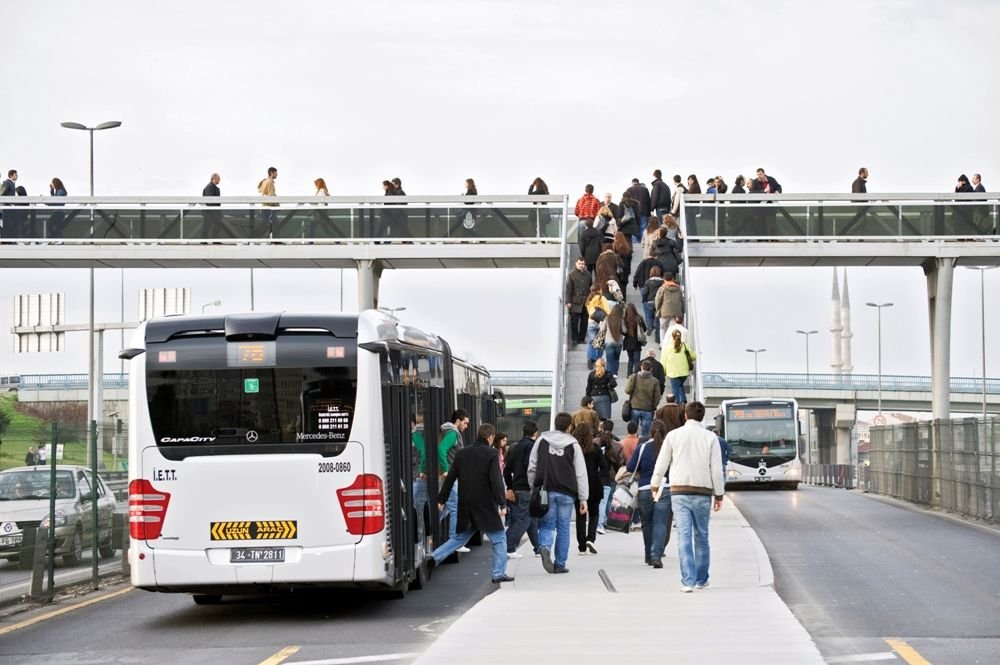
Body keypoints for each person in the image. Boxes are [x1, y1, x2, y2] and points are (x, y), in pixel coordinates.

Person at [651, 401, 724, 592]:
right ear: (702, 417)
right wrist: (719, 494)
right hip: (703, 492)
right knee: (702, 536)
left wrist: (655, 483)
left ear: (685, 415)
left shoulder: (673, 436)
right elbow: (716, 470)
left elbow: (662, 462)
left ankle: (688, 581)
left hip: (679, 491)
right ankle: (701, 579)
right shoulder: (710, 438)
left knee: (683, 535)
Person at [426, 423, 512, 584]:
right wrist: (502, 503)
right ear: (491, 437)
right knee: (499, 538)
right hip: (485, 504)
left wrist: (442, 499)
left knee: (459, 538)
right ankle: (498, 573)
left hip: (466, 503)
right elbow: (496, 480)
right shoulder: (492, 454)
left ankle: (433, 558)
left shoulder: (462, 454)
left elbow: (450, 477)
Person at [528, 412, 589, 574]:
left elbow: (532, 466)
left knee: (547, 524)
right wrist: (583, 498)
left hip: (546, 490)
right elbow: (580, 473)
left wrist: (532, 487)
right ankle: (560, 563)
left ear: (554, 424)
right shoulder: (573, 445)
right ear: (569, 427)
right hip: (567, 492)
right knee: (563, 527)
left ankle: (545, 547)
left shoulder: (541, 441)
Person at [625, 419, 673, 568]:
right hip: (664, 488)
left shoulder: (642, 447)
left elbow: (630, 466)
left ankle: (648, 555)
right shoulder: (669, 447)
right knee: (660, 522)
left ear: (650, 432)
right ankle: (656, 556)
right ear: (665, 433)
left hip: (645, 488)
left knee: (647, 523)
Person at [504, 420, 541, 558]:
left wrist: (510, 487)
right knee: (523, 519)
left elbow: (506, 470)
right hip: (527, 488)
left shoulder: (515, 447)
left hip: (516, 487)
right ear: (535, 433)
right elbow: (530, 468)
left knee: (531, 519)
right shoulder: (532, 447)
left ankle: (538, 547)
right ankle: (508, 546)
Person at [573, 423, 607, 555]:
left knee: (580, 515)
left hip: (578, 484)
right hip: (594, 483)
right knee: (594, 513)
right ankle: (591, 538)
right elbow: (604, 466)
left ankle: (581, 546)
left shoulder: (574, 449)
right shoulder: (596, 448)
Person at [439, 409, 470, 548]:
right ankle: (454, 540)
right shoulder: (452, 433)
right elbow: (441, 449)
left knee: (445, 507)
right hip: (451, 476)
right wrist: (445, 469)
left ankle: (430, 527)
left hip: (451, 475)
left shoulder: (449, 432)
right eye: (465, 423)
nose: (466, 426)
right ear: (457, 421)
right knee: (455, 507)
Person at [625, 359, 661, 438]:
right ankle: (643, 445)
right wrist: (653, 406)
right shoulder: (655, 381)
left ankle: (633, 445)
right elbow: (657, 397)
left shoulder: (634, 377)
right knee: (646, 432)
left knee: (633, 430)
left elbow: (627, 390)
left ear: (641, 367)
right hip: (648, 409)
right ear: (651, 369)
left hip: (635, 407)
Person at [661, 328, 696, 404]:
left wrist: (663, 372)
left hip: (673, 373)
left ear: (672, 337)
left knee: (675, 389)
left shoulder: (668, 348)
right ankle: (683, 400)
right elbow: (693, 356)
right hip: (684, 372)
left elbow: (663, 361)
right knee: (680, 385)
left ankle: (677, 404)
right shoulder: (685, 345)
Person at [565, 256, 592, 345]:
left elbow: (591, 287)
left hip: (585, 302)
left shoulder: (588, 274)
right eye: (580, 264)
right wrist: (568, 302)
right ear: (576, 263)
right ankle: (575, 339)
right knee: (574, 322)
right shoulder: (571, 274)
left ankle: (581, 339)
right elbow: (568, 289)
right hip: (574, 302)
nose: (581, 265)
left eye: (583, 264)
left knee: (585, 321)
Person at [585, 284, 612, 368]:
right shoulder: (602, 298)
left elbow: (590, 312)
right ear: (599, 290)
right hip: (602, 323)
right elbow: (608, 311)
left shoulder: (589, 299)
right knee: (600, 342)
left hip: (591, 322)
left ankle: (590, 359)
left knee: (591, 342)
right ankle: (598, 360)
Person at [654, 272, 684, 342]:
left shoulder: (662, 288)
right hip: (676, 312)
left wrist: (658, 309)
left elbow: (658, 300)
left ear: (664, 279)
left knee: (663, 328)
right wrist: (681, 311)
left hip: (665, 312)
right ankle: (672, 343)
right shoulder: (678, 289)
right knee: (673, 328)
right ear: (672, 279)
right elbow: (681, 301)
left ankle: (663, 345)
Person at [621, 303, 647, 376]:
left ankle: (629, 374)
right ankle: (636, 374)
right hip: (637, 342)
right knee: (637, 360)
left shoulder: (624, 319)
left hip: (628, 342)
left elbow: (623, 332)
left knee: (630, 359)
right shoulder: (639, 318)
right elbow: (644, 329)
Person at [640, 265, 664, 344]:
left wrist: (644, 299)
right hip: (659, 303)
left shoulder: (648, 282)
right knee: (658, 321)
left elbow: (644, 293)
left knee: (649, 316)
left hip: (650, 302)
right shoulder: (662, 282)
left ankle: (650, 326)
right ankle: (657, 338)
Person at [600, 303, 625, 376]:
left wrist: (601, 324)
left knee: (609, 359)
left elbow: (602, 330)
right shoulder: (621, 320)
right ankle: (615, 373)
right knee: (616, 359)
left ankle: (609, 374)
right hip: (618, 342)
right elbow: (624, 331)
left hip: (608, 341)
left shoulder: (607, 318)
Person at [628, 178, 652, 243]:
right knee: (643, 227)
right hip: (644, 211)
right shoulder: (645, 189)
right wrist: (649, 212)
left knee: (634, 227)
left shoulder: (629, 189)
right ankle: (642, 242)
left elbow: (627, 202)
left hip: (633, 212)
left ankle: (635, 243)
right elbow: (649, 201)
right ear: (638, 182)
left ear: (632, 183)